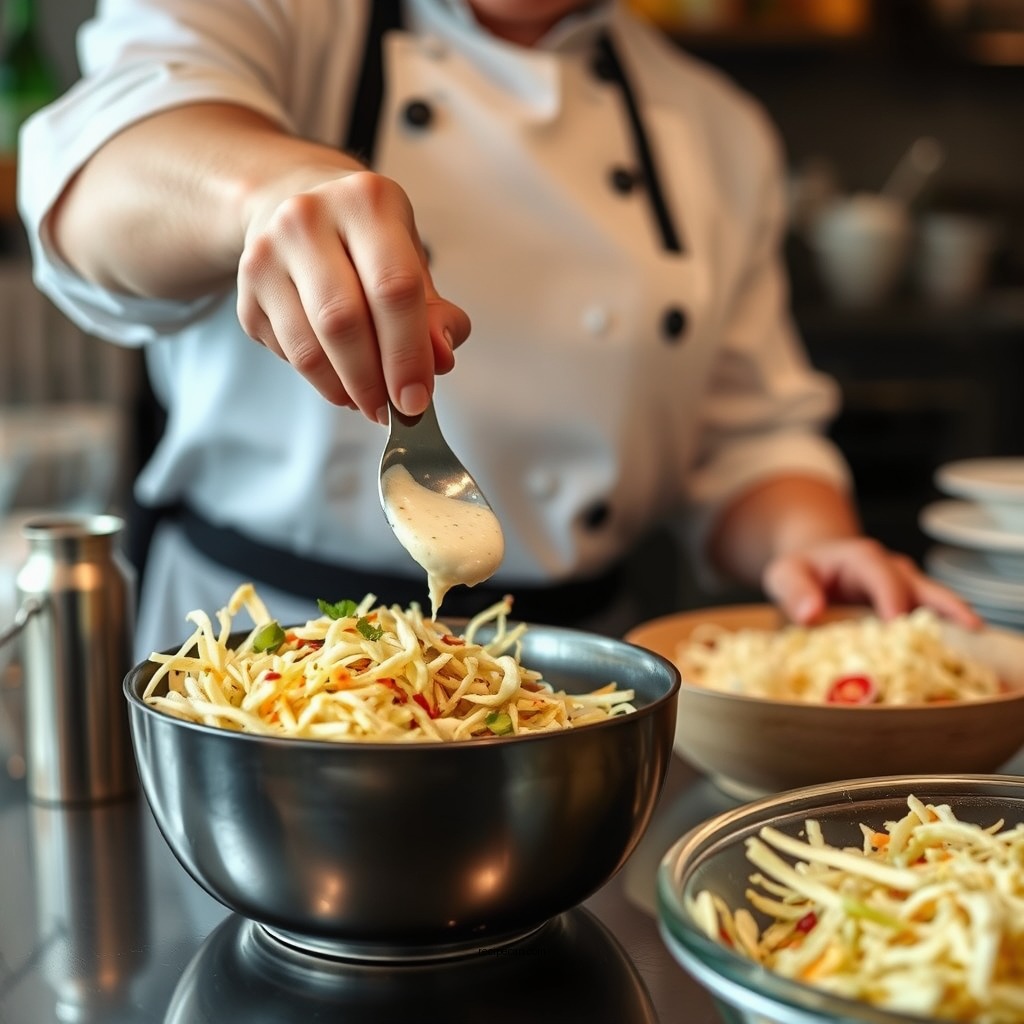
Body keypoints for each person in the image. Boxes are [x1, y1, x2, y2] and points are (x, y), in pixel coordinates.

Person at [18, 0, 977, 658]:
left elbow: (747, 440)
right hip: (250, 652)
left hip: (559, 681)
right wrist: (267, 189)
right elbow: (98, 176)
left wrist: (810, 544)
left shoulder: (716, 128)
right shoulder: (284, 14)